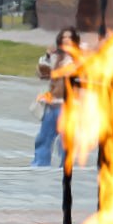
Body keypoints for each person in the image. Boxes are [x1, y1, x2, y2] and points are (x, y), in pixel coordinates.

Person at [31, 27, 79, 168]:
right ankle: (40, 165)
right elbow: (42, 74)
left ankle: (65, 167)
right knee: (44, 137)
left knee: (66, 140)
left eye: (69, 37)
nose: (66, 40)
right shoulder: (55, 57)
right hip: (52, 105)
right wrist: (47, 56)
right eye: (64, 37)